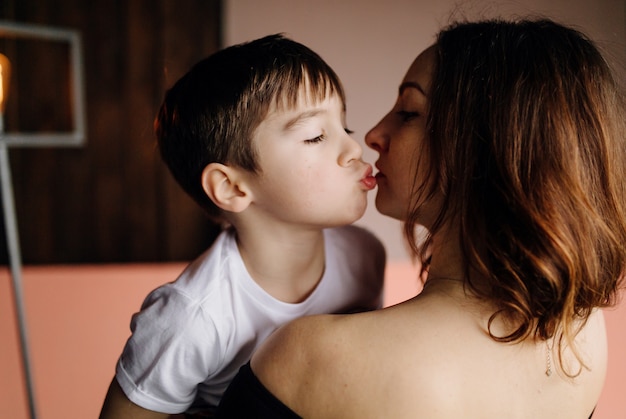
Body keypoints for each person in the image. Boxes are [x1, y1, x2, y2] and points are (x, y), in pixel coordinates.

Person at [216, 18, 626, 419]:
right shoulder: (579, 327)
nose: (372, 135)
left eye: (408, 112)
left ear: (486, 147)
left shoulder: (310, 355)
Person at [99, 34, 386, 418]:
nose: (354, 149)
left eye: (345, 128)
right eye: (316, 135)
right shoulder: (192, 316)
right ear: (233, 187)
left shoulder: (364, 255)